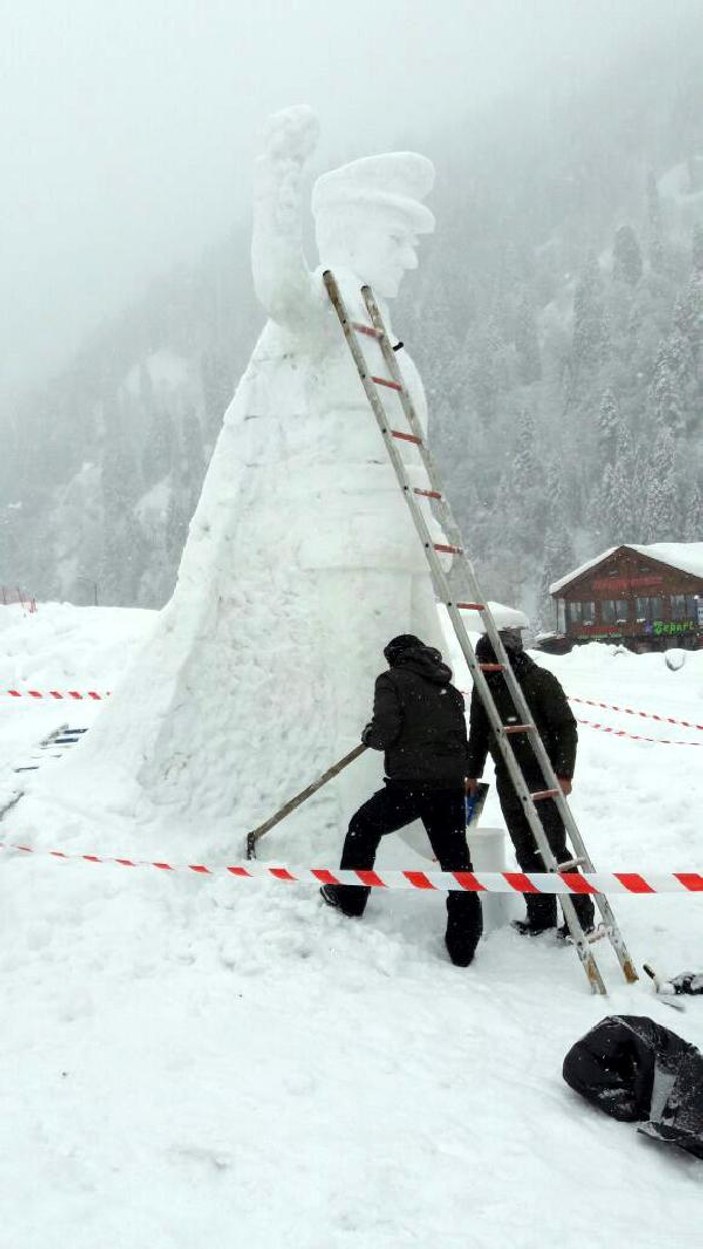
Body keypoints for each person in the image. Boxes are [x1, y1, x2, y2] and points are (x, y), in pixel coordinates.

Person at [320, 634, 483, 967]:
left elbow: (384, 734)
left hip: (411, 784)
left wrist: (370, 734)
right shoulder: (447, 688)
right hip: (448, 786)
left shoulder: (391, 680)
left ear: (395, 657)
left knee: (363, 827)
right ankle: (464, 945)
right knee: (456, 863)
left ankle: (350, 898)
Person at [465, 628, 596, 939]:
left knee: (553, 849)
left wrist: (564, 773)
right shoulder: (483, 685)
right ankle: (540, 914)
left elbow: (566, 728)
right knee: (525, 848)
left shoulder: (540, 680)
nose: (483, 666)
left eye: (487, 660)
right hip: (508, 776)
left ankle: (581, 917)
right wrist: (472, 772)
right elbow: (479, 731)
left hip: (542, 777)